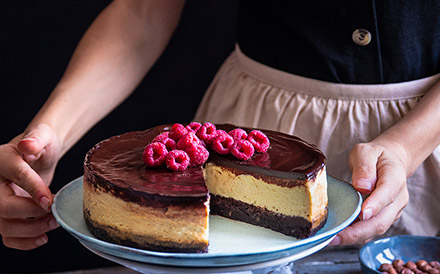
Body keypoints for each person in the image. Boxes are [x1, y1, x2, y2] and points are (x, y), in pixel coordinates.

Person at [1, 0, 439, 254]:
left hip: (424, 135)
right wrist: (50, 131)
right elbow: (144, 11)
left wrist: (407, 147)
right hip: (251, 130)